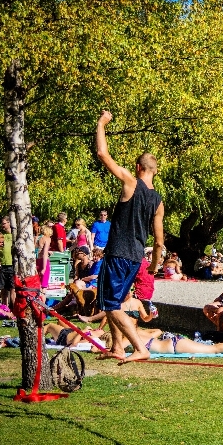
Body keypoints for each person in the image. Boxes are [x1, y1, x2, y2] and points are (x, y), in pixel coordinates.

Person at [95, 109, 164, 364]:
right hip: (135, 259)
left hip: (118, 254)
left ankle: (138, 348)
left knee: (110, 305)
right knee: (115, 303)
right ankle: (117, 347)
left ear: (138, 168)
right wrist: (154, 267)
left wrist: (102, 123)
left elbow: (103, 154)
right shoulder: (158, 202)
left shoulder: (130, 182)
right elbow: (158, 242)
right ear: (154, 171)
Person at [0, 217, 15, 308]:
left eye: (4, 223)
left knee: (13, 287)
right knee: (3, 288)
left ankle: (14, 307)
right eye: (2, 223)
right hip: (2, 264)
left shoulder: (14, 235)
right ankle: (5, 308)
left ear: (9, 223)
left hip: (12, 264)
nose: (2, 225)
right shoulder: (0, 235)